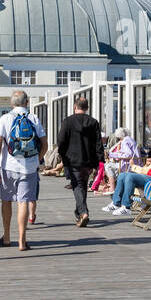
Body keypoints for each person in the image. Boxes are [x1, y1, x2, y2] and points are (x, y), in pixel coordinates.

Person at [0, 90, 47, 251]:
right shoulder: (33, 118)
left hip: (8, 166)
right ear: (27, 102)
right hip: (28, 167)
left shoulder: (5, 118)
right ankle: (22, 241)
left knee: (7, 200)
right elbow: (45, 144)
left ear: (11, 103)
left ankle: (7, 237)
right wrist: (36, 160)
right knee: (23, 202)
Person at [57, 96, 101, 227]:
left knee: (77, 186)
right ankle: (79, 213)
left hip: (72, 159)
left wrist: (62, 155)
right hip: (88, 160)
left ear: (75, 107)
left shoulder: (68, 121)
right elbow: (98, 143)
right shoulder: (93, 122)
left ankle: (84, 212)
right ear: (87, 108)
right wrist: (99, 161)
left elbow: (61, 141)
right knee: (82, 186)